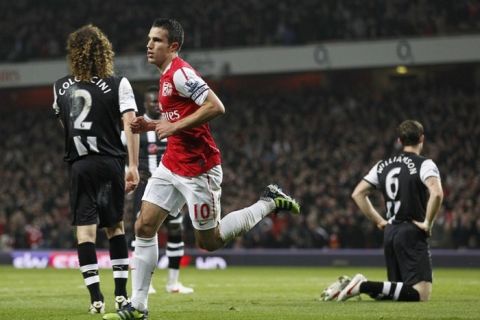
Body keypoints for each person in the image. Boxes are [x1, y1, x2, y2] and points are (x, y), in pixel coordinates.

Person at [103, 18, 300, 320]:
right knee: (143, 225)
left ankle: (269, 201)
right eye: (148, 39)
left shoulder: (181, 73)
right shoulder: (165, 75)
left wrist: (170, 124)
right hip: (172, 164)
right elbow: (178, 121)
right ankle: (139, 306)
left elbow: (216, 106)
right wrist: (153, 125)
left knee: (210, 241)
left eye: (156, 40)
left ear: (173, 46)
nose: (148, 45)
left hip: (199, 170)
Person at [52, 24, 140, 314]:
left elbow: (66, 126)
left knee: (85, 235)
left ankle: (95, 300)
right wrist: (133, 165)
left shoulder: (59, 86)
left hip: (79, 165)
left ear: (74, 54)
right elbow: (131, 124)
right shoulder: (118, 84)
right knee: (115, 228)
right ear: (104, 52)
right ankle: (120, 296)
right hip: (109, 162)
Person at [321, 120, 443, 302]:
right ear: (422, 139)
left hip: (390, 233)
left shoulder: (383, 165)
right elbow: (437, 193)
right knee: (420, 294)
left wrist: (379, 221)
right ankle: (361, 285)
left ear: (400, 141)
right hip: (411, 231)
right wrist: (428, 223)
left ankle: (356, 284)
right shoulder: (424, 164)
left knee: (398, 294)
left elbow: (357, 193)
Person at [122, 85, 193, 294]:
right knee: (143, 233)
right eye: (152, 101)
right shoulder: (136, 128)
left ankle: (173, 282)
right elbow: (121, 154)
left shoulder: (170, 125)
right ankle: (146, 283)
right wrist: (129, 172)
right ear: (144, 104)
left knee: (175, 230)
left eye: (158, 101)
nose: (156, 104)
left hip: (172, 186)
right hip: (145, 188)